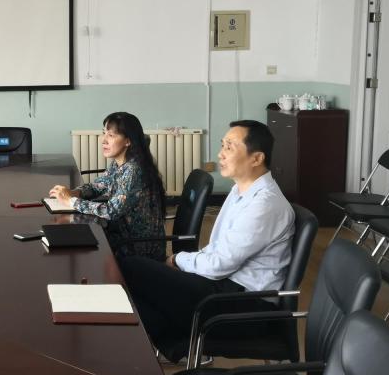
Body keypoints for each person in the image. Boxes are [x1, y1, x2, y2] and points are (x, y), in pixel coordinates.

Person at [119, 120, 294, 353]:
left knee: (129, 268)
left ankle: (162, 342)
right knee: (135, 286)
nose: (221, 154)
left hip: (245, 306)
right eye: (222, 145)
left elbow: (219, 264)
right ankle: (158, 345)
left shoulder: (265, 204)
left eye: (230, 147)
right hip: (224, 288)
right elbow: (217, 252)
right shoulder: (240, 190)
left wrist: (177, 260)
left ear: (256, 158)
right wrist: (184, 263)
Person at [48, 111, 166, 259]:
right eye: (104, 133)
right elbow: (98, 186)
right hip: (121, 237)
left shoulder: (134, 170)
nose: (103, 140)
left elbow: (111, 211)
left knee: (76, 250)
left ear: (128, 141)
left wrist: (71, 201)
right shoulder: (120, 163)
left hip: (137, 249)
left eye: (111, 135)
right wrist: (74, 192)